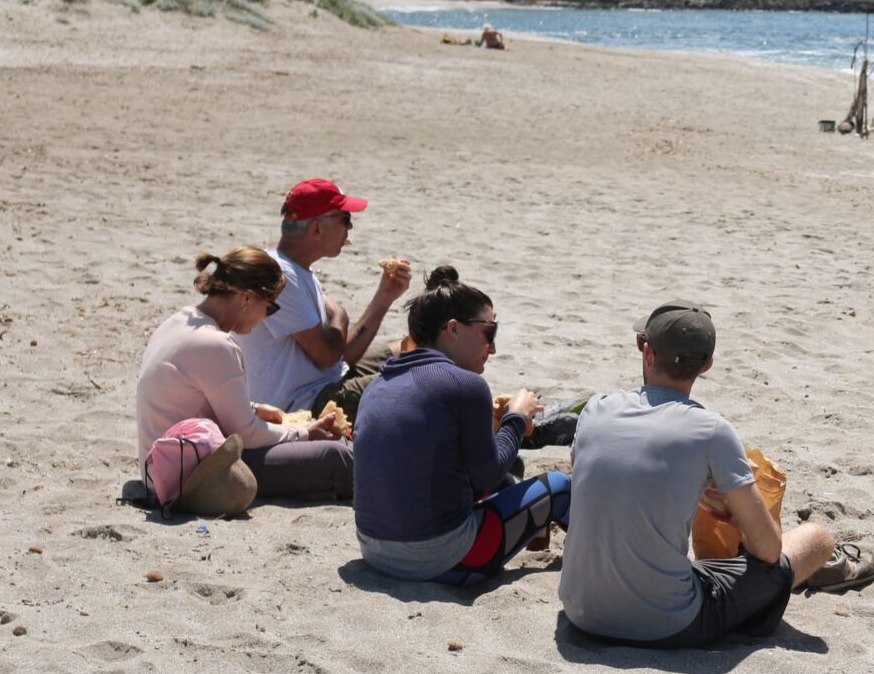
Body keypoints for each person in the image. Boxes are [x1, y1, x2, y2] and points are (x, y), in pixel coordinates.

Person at [559, 301, 874, 647]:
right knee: (817, 538)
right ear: (707, 365)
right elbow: (769, 551)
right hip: (667, 623)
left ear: (646, 351)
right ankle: (819, 567)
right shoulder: (711, 430)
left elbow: (611, 485)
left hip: (581, 612)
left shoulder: (595, 410)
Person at [353, 266, 570, 585]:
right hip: (440, 558)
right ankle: (609, 560)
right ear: (453, 329)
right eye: (490, 332)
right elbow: (487, 476)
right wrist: (516, 418)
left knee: (515, 467)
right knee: (559, 486)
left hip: (374, 550)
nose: (493, 348)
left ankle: (535, 534)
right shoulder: (464, 385)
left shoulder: (378, 384)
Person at [136, 248, 353, 501]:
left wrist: (255, 408)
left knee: (330, 449)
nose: (265, 319)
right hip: (193, 476)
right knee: (338, 458)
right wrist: (305, 432)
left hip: (161, 468)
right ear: (247, 298)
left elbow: (196, 398)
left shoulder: (178, 321)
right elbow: (247, 435)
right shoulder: (215, 344)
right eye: (270, 309)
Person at [237, 178, 411, 424]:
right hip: (301, 406)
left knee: (413, 348)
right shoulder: (281, 275)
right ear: (317, 229)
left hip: (322, 384)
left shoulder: (294, 269)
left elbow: (340, 357)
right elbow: (328, 356)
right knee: (416, 378)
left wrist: (384, 298)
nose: (349, 228)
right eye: (345, 219)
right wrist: (340, 314)